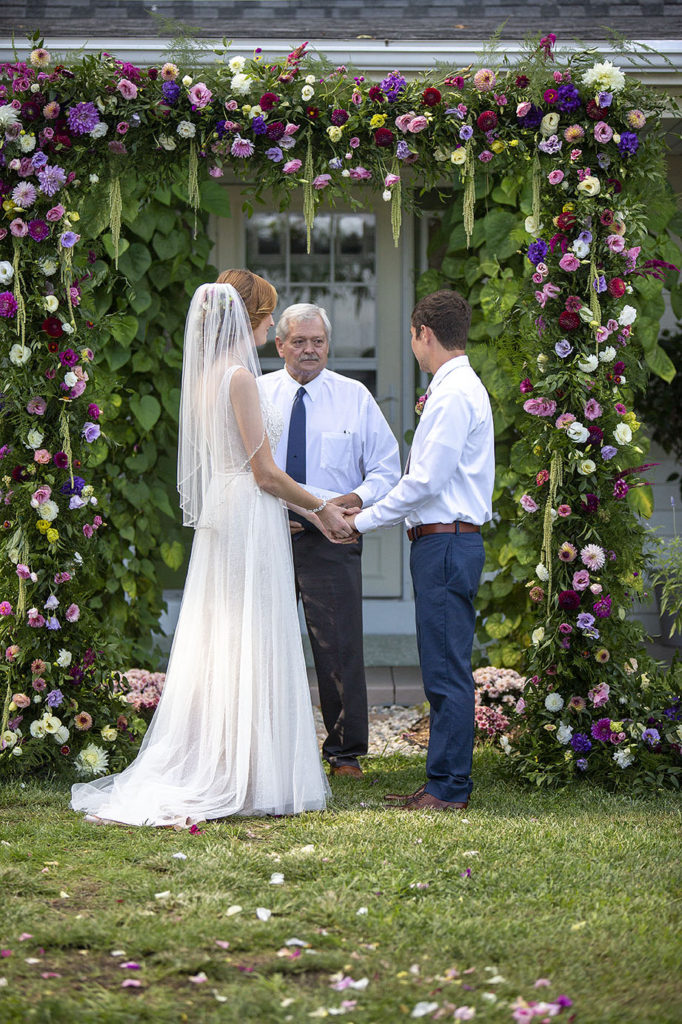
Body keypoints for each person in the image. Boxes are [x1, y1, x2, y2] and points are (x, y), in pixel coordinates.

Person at [71, 271, 354, 827]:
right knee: (251, 632)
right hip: (248, 512)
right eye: (269, 315)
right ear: (249, 318)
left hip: (228, 512)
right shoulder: (241, 378)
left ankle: (238, 761)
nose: (273, 325)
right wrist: (320, 509)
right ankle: (244, 772)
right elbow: (266, 473)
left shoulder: (206, 376)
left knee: (230, 635)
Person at [345, 290, 495, 811]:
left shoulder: (454, 394)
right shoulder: (454, 388)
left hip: (447, 544)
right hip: (443, 544)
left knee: (446, 670)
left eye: (411, 337)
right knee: (439, 666)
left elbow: (425, 480)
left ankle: (449, 789)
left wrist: (362, 520)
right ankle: (440, 781)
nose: (412, 347)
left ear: (423, 333)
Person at [259, 303, 401, 779]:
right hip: (268, 535)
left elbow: (386, 467)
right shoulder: (257, 394)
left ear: (328, 344)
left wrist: (353, 500)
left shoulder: (354, 397)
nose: (309, 350)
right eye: (298, 341)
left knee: (338, 646)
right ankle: (271, 746)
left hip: (334, 537)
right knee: (265, 644)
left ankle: (345, 752)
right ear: (280, 346)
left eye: (317, 341)